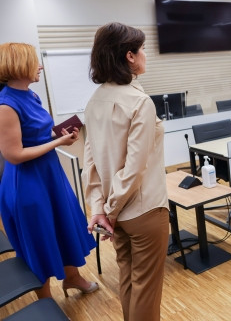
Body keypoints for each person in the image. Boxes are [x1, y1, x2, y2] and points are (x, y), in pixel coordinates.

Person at [82, 22, 169, 321]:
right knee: (146, 289)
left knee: (129, 281)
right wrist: (111, 210)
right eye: (142, 49)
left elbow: (90, 163)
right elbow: (135, 168)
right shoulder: (140, 102)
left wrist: (100, 209)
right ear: (129, 56)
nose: (145, 54)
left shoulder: (94, 100)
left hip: (115, 212)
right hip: (144, 209)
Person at [0, 42, 98, 299]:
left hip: (49, 175)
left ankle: (72, 278)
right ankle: (45, 301)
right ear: (19, 65)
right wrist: (58, 142)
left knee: (64, 225)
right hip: (27, 184)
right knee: (39, 238)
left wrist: (58, 135)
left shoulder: (31, 95)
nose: (40, 66)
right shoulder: (6, 106)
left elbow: (37, 135)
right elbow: (14, 154)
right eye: (35, 61)